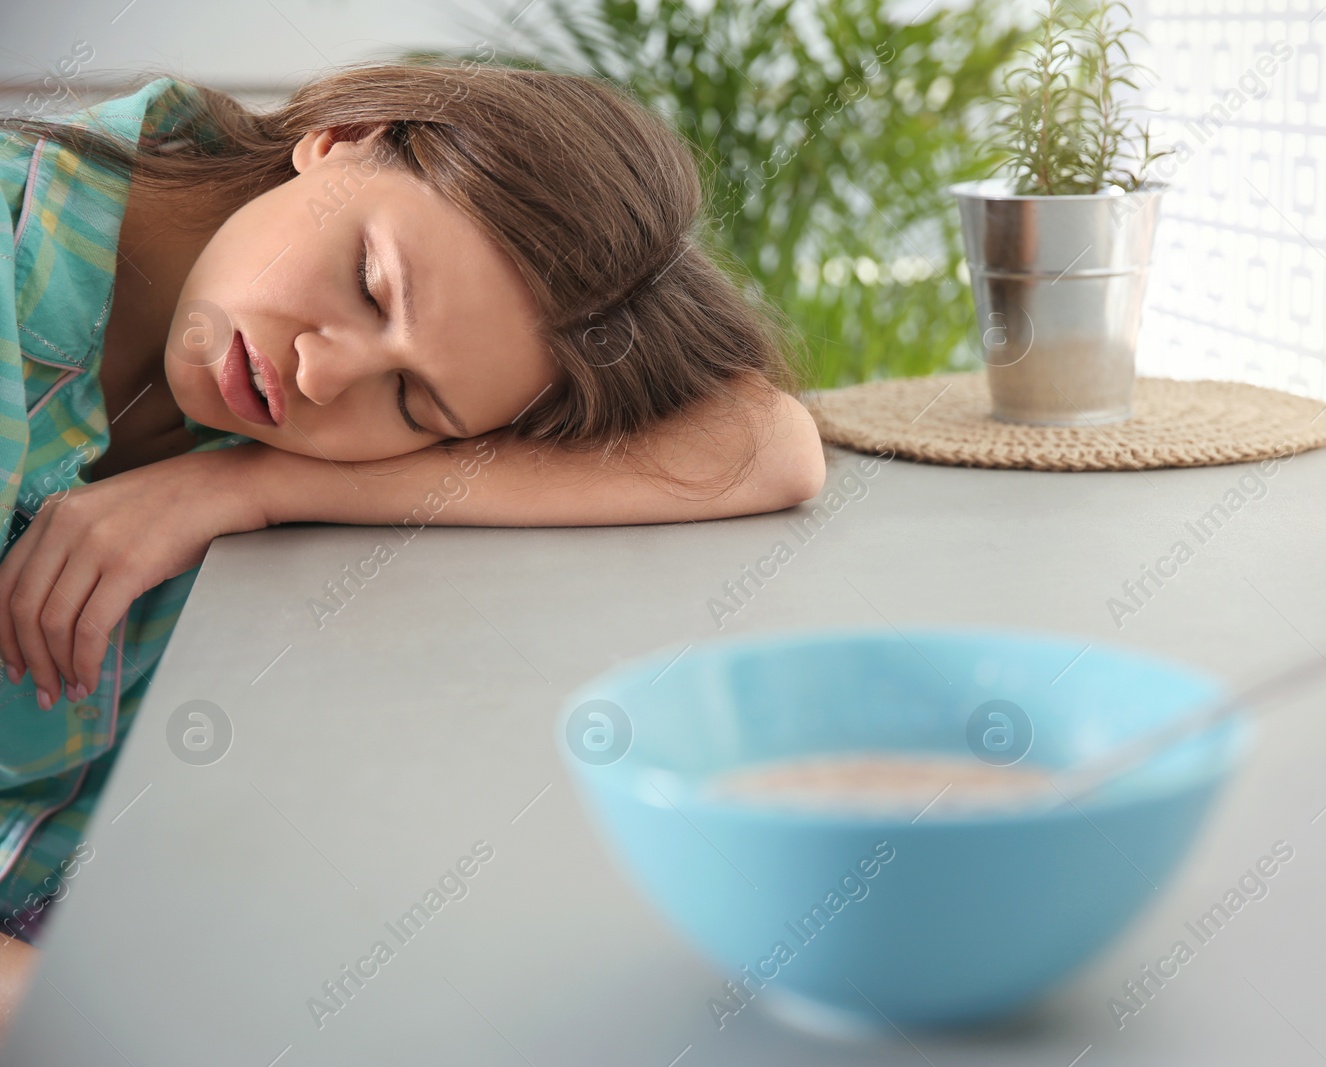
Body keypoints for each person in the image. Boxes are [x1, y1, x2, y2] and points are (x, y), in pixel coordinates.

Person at [0, 62, 826, 1027]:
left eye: (413, 401)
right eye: (370, 285)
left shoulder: (272, 396)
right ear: (345, 134)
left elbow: (762, 442)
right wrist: (80, 1022)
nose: (319, 373)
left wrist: (253, 482)